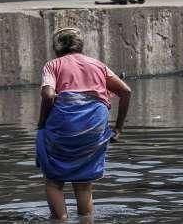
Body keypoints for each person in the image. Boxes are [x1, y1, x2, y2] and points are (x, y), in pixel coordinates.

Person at [36, 27, 131, 220]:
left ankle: (60, 220)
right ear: (81, 46)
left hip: (63, 127)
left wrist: (41, 124)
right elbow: (126, 92)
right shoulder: (98, 65)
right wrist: (118, 129)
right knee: (83, 183)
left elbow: (48, 94)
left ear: (56, 48)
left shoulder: (52, 65)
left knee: (54, 182)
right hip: (94, 127)